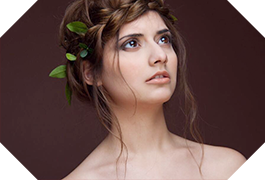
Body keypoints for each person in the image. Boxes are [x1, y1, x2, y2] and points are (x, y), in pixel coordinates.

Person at [51, 0, 255, 179]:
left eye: (163, 40)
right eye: (132, 43)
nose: (160, 55)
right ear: (92, 73)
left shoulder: (228, 169)